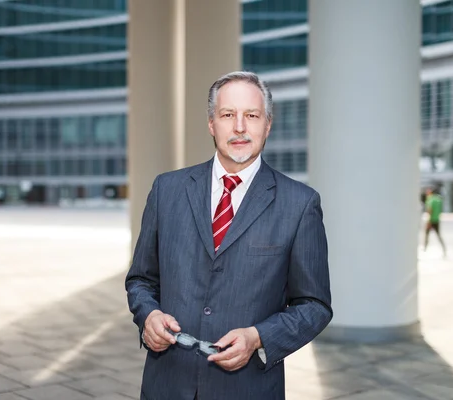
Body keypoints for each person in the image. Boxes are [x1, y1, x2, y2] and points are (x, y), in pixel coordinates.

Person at [125, 71, 332, 400]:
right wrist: (149, 314)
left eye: (251, 115)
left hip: (248, 389)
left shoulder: (300, 204)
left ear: (267, 125)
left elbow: (314, 305)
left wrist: (258, 337)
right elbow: (141, 280)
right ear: (211, 124)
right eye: (227, 115)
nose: (239, 127)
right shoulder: (167, 190)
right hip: (165, 385)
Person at [424, 187, 446, 256]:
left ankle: (425, 248)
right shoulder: (439, 199)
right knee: (438, 235)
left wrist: (429, 221)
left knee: (426, 234)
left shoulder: (430, 199)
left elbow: (430, 210)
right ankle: (444, 248)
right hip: (437, 219)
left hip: (431, 220)